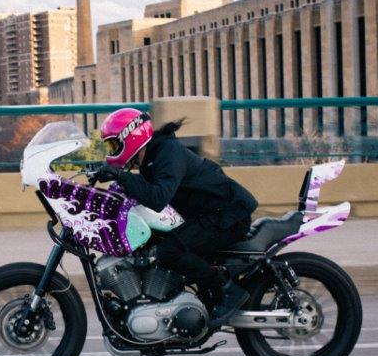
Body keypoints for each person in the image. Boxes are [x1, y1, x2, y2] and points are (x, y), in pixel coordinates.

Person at [92, 108, 257, 326]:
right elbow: (146, 191)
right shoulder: (152, 157)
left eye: (115, 144)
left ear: (130, 136)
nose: (113, 150)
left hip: (227, 215)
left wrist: (122, 176)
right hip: (210, 214)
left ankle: (227, 290)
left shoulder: (167, 153)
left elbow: (159, 197)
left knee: (169, 251)